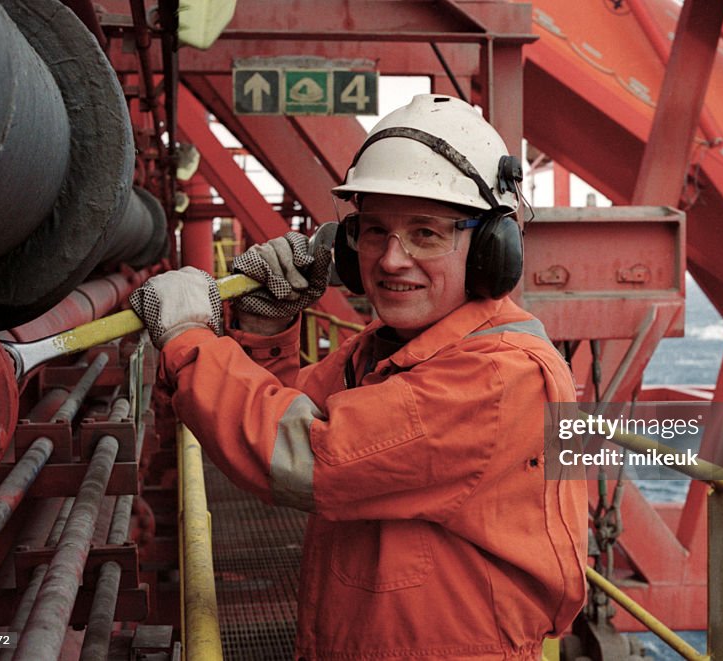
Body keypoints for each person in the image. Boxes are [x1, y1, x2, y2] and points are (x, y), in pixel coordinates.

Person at [130, 94, 587, 660]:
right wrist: (268, 326)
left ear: (491, 250)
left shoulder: (499, 378)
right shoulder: (388, 350)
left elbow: (305, 457)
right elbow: (286, 412)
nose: (392, 260)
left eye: (426, 233)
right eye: (374, 232)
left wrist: (188, 338)